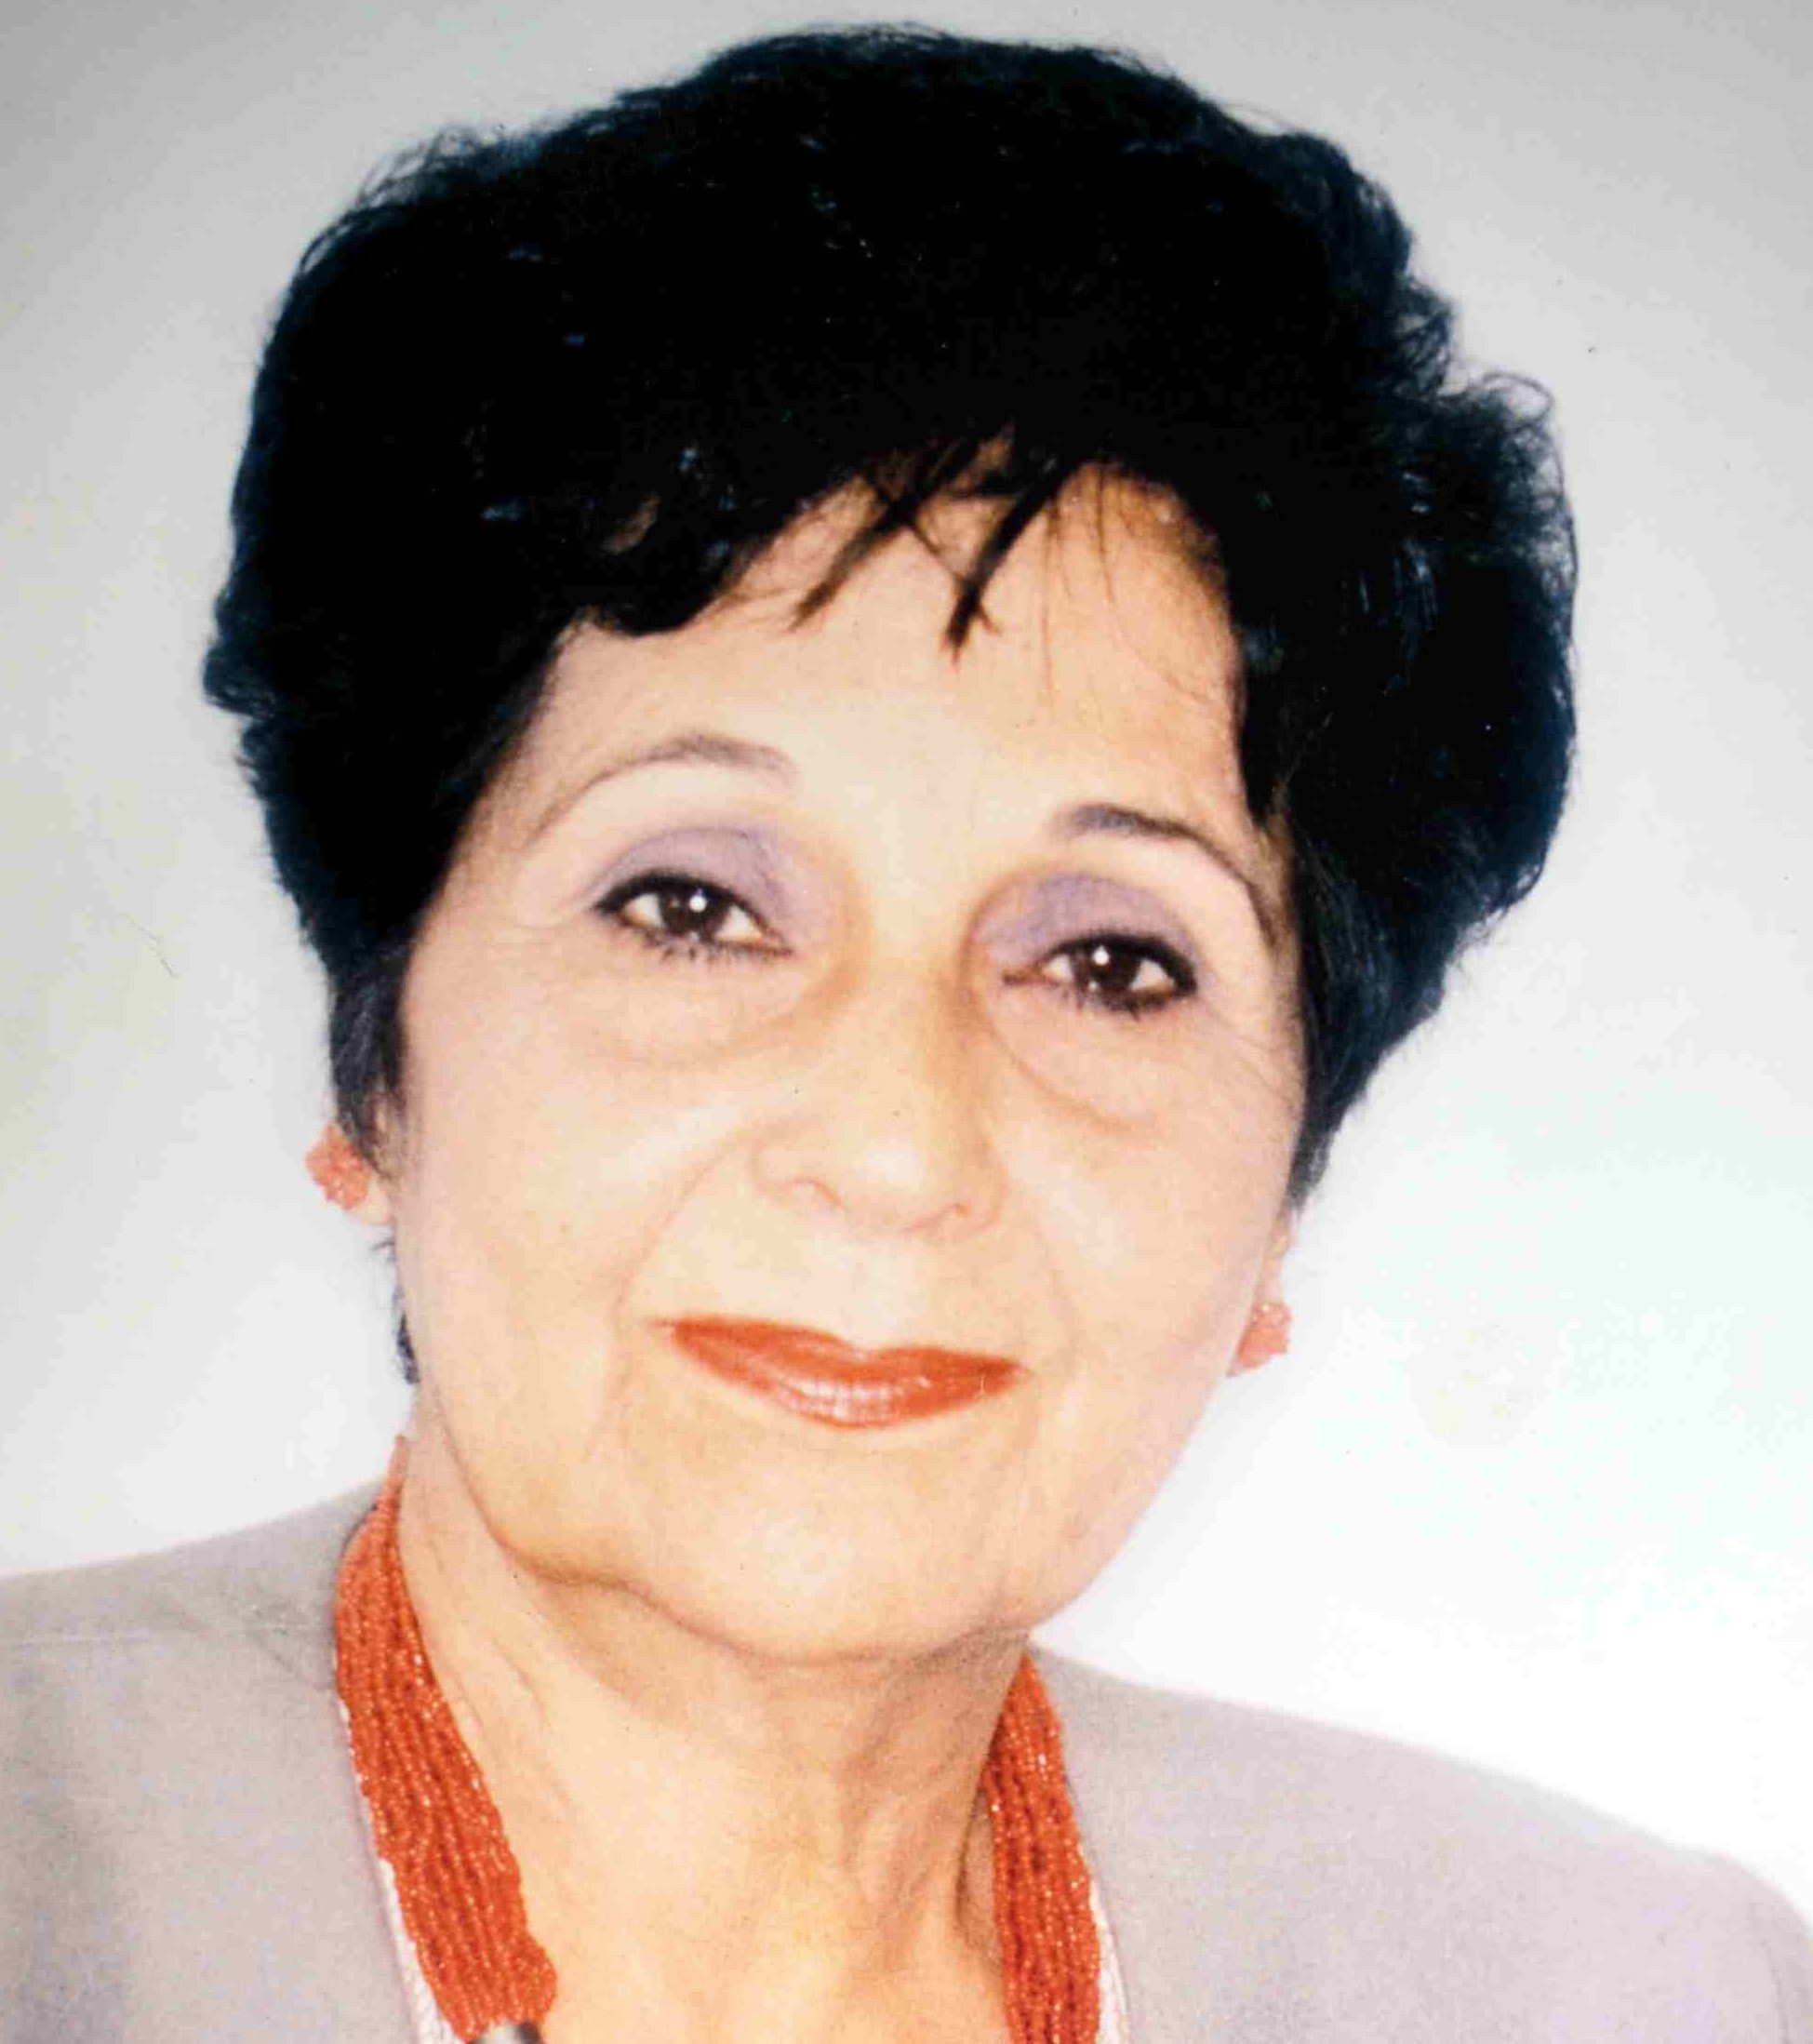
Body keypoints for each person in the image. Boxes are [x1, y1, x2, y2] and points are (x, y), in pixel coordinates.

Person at [3, 25, 1808, 2041]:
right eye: (691, 908)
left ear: (1284, 1192)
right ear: (374, 1066)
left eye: (1109, 962)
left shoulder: (1630, 1994)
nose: (894, 1143)